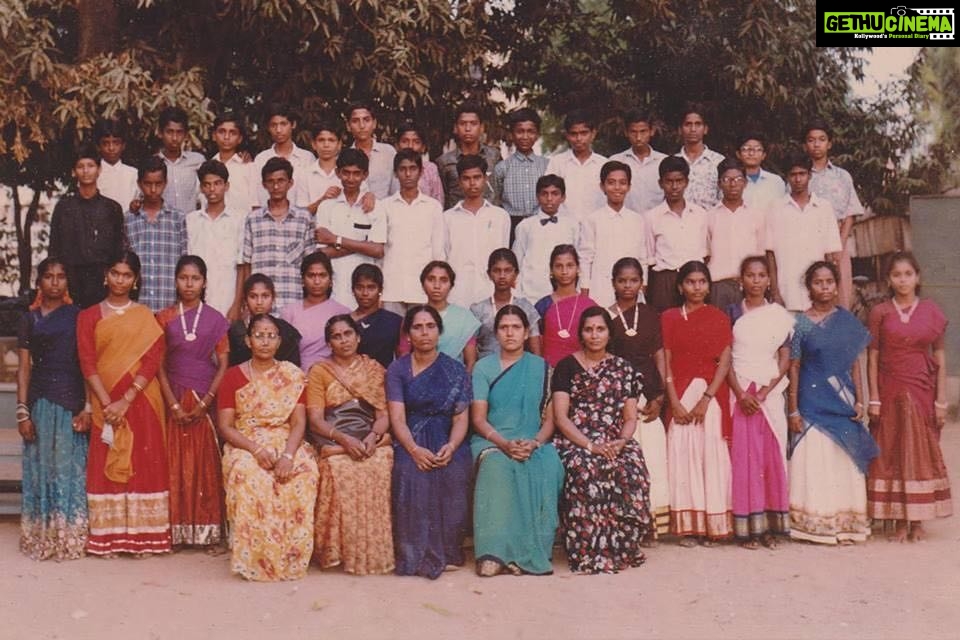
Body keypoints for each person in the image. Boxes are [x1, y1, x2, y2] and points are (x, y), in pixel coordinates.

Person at [77, 251, 171, 555]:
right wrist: (107, 405)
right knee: (107, 463)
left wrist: (126, 400)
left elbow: (152, 360)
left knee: (143, 462)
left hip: (140, 400)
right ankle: (111, 538)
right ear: (106, 275)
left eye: (127, 275)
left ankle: (146, 538)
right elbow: (87, 363)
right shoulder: (88, 316)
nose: (120, 279)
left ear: (135, 280)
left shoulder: (146, 316)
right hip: (105, 399)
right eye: (115, 273)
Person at [217, 314, 319, 580]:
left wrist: (287, 455)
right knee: (248, 476)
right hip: (246, 442)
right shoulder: (232, 377)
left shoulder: (292, 375)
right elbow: (226, 427)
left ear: (279, 341)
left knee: (305, 472)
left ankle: (290, 558)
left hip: (286, 440)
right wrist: (256, 450)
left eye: (270, 335)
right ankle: (256, 561)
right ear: (248, 341)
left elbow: (299, 423)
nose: (264, 341)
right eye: (259, 335)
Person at [551, 306, 652, 573]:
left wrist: (621, 441)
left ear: (609, 333)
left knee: (631, 468)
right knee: (586, 469)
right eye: (588, 329)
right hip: (576, 440)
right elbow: (561, 418)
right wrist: (590, 445)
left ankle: (623, 547)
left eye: (600, 329)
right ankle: (587, 550)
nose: (594, 335)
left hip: (614, 440)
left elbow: (630, 417)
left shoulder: (623, 368)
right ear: (581, 334)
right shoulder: (566, 366)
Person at [788, 261, 878, 545]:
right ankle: (814, 525)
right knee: (815, 456)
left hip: (842, 401)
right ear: (809, 287)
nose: (824, 287)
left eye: (829, 282)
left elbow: (854, 365)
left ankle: (847, 524)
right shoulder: (800, 322)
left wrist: (860, 401)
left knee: (844, 458)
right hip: (811, 400)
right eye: (818, 282)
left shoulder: (847, 321)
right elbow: (794, 366)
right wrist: (793, 408)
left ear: (837, 285)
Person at [470, 305, 563, 576]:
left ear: (526, 333)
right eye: (503, 327)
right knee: (496, 467)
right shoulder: (483, 367)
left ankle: (527, 552)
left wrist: (534, 443)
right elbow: (479, 419)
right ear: (496, 333)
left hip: (533, 440)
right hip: (492, 440)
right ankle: (493, 553)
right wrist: (504, 444)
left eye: (516, 327)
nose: (510, 333)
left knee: (547, 464)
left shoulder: (542, 368)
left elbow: (549, 420)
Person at [867, 252, 952, 541]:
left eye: (908, 274)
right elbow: (873, 356)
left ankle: (918, 520)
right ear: (889, 280)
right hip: (890, 386)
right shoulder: (880, 312)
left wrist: (941, 400)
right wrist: (874, 398)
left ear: (918, 277)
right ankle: (899, 520)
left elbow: (939, 356)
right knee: (892, 450)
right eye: (896, 275)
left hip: (922, 387)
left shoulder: (932, 311)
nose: (902, 280)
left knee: (920, 451)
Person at [386, 305, 473, 578]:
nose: (424, 333)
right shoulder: (397, 369)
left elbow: (461, 418)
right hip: (410, 437)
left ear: (439, 331)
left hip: (447, 436)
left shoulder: (455, 369)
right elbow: (397, 418)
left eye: (430, 326)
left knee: (454, 472)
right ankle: (415, 553)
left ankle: (448, 551)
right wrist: (413, 449)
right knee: (411, 475)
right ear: (408, 334)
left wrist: (452, 446)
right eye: (417, 327)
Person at [308, 314, 395, 575]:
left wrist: (373, 437)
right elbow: (315, 419)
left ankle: (374, 550)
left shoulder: (374, 369)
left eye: (348, 334)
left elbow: (383, 415)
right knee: (340, 467)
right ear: (329, 343)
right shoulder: (320, 371)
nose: (344, 340)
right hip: (334, 436)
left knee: (381, 462)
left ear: (358, 337)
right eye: (336, 336)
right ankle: (338, 551)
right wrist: (344, 440)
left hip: (369, 436)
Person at [16, 258, 89, 560]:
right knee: (42, 467)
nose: (55, 282)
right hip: (40, 402)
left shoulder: (78, 317)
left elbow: (87, 365)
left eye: (61, 277)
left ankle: (70, 536)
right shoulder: (29, 319)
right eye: (49, 277)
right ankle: (42, 535)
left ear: (67, 282)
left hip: (70, 399)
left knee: (68, 467)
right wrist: (22, 411)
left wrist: (88, 408)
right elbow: (23, 368)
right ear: (39, 282)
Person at [155, 256, 229, 548]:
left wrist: (207, 399)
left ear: (205, 282)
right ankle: (174, 531)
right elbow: (157, 365)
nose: (189, 284)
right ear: (176, 281)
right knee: (174, 459)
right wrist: (173, 403)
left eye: (195, 278)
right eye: (184, 278)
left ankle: (206, 532)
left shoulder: (216, 318)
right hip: (172, 392)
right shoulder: (163, 317)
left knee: (204, 460)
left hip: (205, 395)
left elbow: (223, 362)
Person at [662, 261, 733, 546]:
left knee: (710, 455)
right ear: (680, 286)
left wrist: (706, 399)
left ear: (709, 285)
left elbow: (724, 361)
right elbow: (665, 359)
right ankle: (689, 527)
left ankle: (713, 525)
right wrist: (674, 401)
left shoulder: (718, 317)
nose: (696, 287)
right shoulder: (668, 317)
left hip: (710, 395)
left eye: (702, 281)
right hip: (678, 393)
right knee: (682, 455)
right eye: (690, 282)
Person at [726, 256, 792, 549]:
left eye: (761, 275)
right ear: (741, 280)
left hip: (768, 393)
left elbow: (785, 357)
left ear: (768, 280)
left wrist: (764, 392)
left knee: (769, 456)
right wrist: (741, 393)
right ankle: (747, 528)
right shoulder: (729, 312)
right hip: (738, 389)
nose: (755, 280)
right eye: (750, 275)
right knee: (744, 458)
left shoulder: (779, 315)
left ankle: (769, 528)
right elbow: (724, 357)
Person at [605, 257, 669, 541]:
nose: (628, 286)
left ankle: (652, 523)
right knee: (626, 459)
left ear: (642, 283)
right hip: (620, 394)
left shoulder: (651, 313)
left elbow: (659, 354)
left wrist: (661, 395)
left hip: (650, 389)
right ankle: (626, 523)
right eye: (622, 280)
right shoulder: (606, 316)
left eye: (633, 280)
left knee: (652, 454)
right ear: (613, 283)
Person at [48, 144, 125, 308]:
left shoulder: (111, 208)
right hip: (71, 280)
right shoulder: (64, 207)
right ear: (74, 171)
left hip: (102, 283)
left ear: (99, 170)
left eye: (90, 166)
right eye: (80, 166)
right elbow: (54, 248)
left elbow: (118, 249)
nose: (85, 171)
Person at [766, 150, 842, 313]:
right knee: (791, 337)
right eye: (793, 174)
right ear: (787, 177)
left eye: (802, 174)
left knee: (815, 336)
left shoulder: (824, 207)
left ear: (810, 176)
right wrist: (775, 292)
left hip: (817, 295)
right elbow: (770, 254)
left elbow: (830, 256)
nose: (798, 179)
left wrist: (832, 292)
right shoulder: (775, 208)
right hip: (787, 293)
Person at [238, 156, 317, 313]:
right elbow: (246, 263)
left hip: (294, 302)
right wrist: (244, 302)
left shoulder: (304, 218)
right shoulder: (253, 219)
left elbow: (310, 264)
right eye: (270, 181)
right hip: (260, 304)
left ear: (290, 183)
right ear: (264, 184)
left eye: (281, 181)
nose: (276, 186)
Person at [804, 119, 864, 308]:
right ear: (805, 145)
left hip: (839, 239)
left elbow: (850, 213)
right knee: (810, 292)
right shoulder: (800, 176)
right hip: (808, 239)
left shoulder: (842, 176)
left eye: (821, 139)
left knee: (841, 293)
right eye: (811, 140)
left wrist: (839, 245)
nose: (816, 144)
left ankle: (841, 335)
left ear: (829, 143)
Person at [314, 148, 386, 306]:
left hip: (366, 291)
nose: (351, 178)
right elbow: (322, 253)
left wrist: (335, 239)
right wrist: (364, 244)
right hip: (334, 289)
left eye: (356, 173)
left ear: (365, 175)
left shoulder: (375, 207)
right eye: (346, 173)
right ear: (338, 173)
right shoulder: (326, 206)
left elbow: (378, 251)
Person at [381, 148, 446, 315]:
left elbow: (438, 251)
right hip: (391, 288)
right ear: (395, 173)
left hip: (422, 290)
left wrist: (436, 287)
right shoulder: (385, 206)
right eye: (402, 169)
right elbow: (381, 250)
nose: (408, 174)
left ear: (421, 172)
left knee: (421, 336)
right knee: (392, 338)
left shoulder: (433, 207)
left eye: (412, 168)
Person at [443, 154, 511, 307]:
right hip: (457, 295)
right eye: (466, 178)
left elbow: (503, 256)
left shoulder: (500, 216)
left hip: (490, 293)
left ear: (485, 179)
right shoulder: (447, 218)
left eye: (477, 177)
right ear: (459, 182)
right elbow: (444, 257)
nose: (472, 183)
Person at [578, 160, 649, 308]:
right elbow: (585, 258)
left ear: (629, 187)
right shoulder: (593, 220)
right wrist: (585, 292)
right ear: (602, 186)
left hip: (631, 289)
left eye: (622, 183)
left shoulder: (637, 220)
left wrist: (643, 286)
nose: (617, 187)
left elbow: (642, 257)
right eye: (611, 182)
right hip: (601, 289)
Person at [643, 156, 709, 313]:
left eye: (679, 181)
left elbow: (705, 253)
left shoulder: (700, 214)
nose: (674, 186)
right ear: (661, 183)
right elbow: (649, 257)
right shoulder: (651, 216)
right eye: (669, 181)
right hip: (665, 280)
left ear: (686, 182)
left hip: (694, 280)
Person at [125, 156, 188, 313]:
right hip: (137, 306)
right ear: (139, 184)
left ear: (165, 183)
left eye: (158, 184)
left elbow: (184, 261)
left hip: (170, 305)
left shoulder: (178, 218)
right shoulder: (129, 219)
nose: (153, 190)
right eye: (147, 184)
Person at [187, 159, 248, 318]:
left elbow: (241, 266)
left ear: (226, 186)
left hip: (227, 301)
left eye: (217, 183)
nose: (212, 189)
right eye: (207, 184)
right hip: (197, 301)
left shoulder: (238, 220)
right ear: (201, 188)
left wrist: (237, 304)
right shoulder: (191, 221)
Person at [706, 158, 767, 310]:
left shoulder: (757, 215)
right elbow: (705, 254)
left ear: (745, 183)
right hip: (718, 286)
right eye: (727, 179)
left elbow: (762, 253)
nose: (733, 184)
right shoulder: (709, 216)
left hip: (750, 287)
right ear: (719, 184)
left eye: (738, 179)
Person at [512, 175, 579, 304]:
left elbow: (578, 260)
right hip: (531, 294)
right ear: (537, 197)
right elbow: (517, 261)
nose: (549, 199)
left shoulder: (572, 225)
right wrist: (519, 294)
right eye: (544, 194)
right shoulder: (525, 226)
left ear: (563, 197)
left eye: (555, 194)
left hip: (564, 294)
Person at [281, 252, 350, 372]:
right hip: (295, 377)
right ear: (303, 280)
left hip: (333, 378)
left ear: (330, 280)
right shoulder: (289, 312)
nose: (317, 281)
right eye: (311, 275)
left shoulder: (343, 313)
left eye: (322, 275)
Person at [470, 248, 542, 359]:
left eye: (507, 270)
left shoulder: (526, 308)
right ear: (489, 274)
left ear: (516, 273)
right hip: (487, 370)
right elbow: (470, 350)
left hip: (519, 369)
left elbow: (536, 353)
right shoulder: (478, 310)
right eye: (497, 270)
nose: (502, 276)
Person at [535, 245, 598, 368]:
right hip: (549, 371)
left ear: (578, 269)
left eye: (570, 265)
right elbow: (536, 345)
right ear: (551, 270)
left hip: (582, 371)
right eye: (559, 266)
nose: (564, 271)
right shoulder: (542, 306)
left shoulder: (589, 306)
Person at [491, 107, 549, 233]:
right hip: (511, 224)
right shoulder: (502, 168)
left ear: (537, 134)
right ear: (512, 134)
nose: (525, 136)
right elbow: (496, 199)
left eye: (530, 131)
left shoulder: (547, 165)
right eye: (520, 131)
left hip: (541, 222)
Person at [436, 101, 502, 209]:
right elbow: (444, 195)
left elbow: (500, 189)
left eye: (473, 123)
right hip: (458, 220)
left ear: (482, 128)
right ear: (455, 128)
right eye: (462, 124)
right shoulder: (444, 162)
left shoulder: (494, 156)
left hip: (490, 219)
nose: (467, 129)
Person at [544, 109, 607, 220]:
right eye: (574, 134)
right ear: (567, 135)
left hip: (596, 226)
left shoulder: (604, 164)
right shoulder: (557, 163)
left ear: (593, 134)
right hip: (565, 226)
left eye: (584, 133)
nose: (579, 139)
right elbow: (549, 194)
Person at [228, 273, 301, 366]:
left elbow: (293, 370)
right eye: (253, 296)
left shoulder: (286, 331)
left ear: (273, 298)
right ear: (245, 300)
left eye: (265, 296)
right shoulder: (236, 331)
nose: (259, 302)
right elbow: (232, 369)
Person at [252, 103, 316, 207]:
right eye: (274, 125)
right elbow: (256, 197)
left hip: (300, 219)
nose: (278, 130)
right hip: (267, 218)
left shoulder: (307, 158)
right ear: (268, 128)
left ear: (293, 124)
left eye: (283, 124)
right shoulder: (261, 159)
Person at [419, 261, 480, 369]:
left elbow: (471, 362)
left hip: (455, 380)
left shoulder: (464, 318)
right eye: (431, 279)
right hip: (419, 379)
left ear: (451, 285)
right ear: (423, 284)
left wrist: (463, 384)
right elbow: (404, 355)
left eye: (443, 280)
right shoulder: (414, 316)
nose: (437, 286)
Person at [609, 109, 667, 215]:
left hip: (657, 223)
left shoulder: (663, 162)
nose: (638, 137)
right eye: (633, 132)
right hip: (625, 223)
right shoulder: (616, 161)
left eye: (643, 131)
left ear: (652, 131)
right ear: (626, 132)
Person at [350, 264, 402, 368]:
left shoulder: (394, 321)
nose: (365, 293)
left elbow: (401, 359)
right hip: (349, 381)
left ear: (380, 290)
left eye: (371, 287)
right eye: (360, 287)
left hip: (383, 380)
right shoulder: (345, 322)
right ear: (353, 290)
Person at [155, 106, 204, 215]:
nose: (174, 138)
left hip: (190, 225)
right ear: (160, 133)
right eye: (169, 132)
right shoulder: (153, 164)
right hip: (164, 225)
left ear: (186, 135)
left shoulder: (197, 161)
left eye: (179, 132)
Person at [674, 103, 723, 210]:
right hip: (678, 223)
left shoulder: (718, 162)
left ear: (705, 129)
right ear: (680, 129)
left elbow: (723, 199)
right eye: (688, 124)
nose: (693, 129)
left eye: (698, 124)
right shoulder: (673, 162)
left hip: (709, 223)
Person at [208, 112, 256, 214]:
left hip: (241, 226)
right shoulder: (206, 168)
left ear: (240, 139)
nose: (226, 137)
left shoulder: (249, 167)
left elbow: (256, 204)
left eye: (232, 133)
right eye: (222, 132)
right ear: (214, 136)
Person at [346, 101, 396, 199]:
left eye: (366, 120)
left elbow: (396, 189)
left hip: (385, 211)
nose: (362, 126)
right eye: (355, 121)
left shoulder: (388, 152)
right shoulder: (344, 156)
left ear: (374, 123)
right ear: (348, 126)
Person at [297, 120, 346, 214]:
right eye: (321, 140)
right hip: (315, 227)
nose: (326, 145)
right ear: (314, 144)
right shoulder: (305, 175)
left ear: (339, 144)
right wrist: (323, 200)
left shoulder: (349, 173)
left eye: (331, 140)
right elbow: (301, 214)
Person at [390, 121, 444, 203]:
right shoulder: (390, 167)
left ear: (423, 147)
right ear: (397, 145)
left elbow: (438, 200)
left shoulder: (430, 169)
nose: (410, 146)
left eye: (416, 142)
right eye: (405, 141)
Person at [94, 118, 139, 212]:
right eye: (106, 143)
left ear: (123, 145)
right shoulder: (93, 174)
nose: (111, 148)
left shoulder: (133, 174)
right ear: (98, 146)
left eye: (116, 143)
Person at [736, 131, 785, 213]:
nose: (751, 153)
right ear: (738, 154)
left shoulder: (776, 181)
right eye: (746, 149)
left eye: (757, 149)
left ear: (763, 155)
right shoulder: (733, 182)